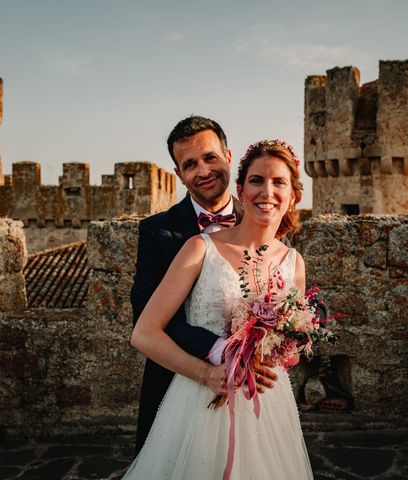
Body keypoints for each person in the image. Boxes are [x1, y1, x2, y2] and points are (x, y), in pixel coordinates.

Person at [124, 140, 313, 479]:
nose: (266, 191)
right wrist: (207, 374)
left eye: (279, 181)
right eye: (256, 180)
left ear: (294, 195)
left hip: (268, 403)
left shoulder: (294, 263)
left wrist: (275, 350)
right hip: (200, 399)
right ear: (240, 189)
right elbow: (144, 333)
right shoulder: (199, 249)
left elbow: (291, 347)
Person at [129, 116, 278, 454]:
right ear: (179, 174)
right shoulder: (156, 232)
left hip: (252, 386)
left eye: (210, 157)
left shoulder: (262, 219)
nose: (203, 170)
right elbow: (145, 315)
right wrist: (218, 351)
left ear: (228, 155)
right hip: (177, 382)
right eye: (190, 164)